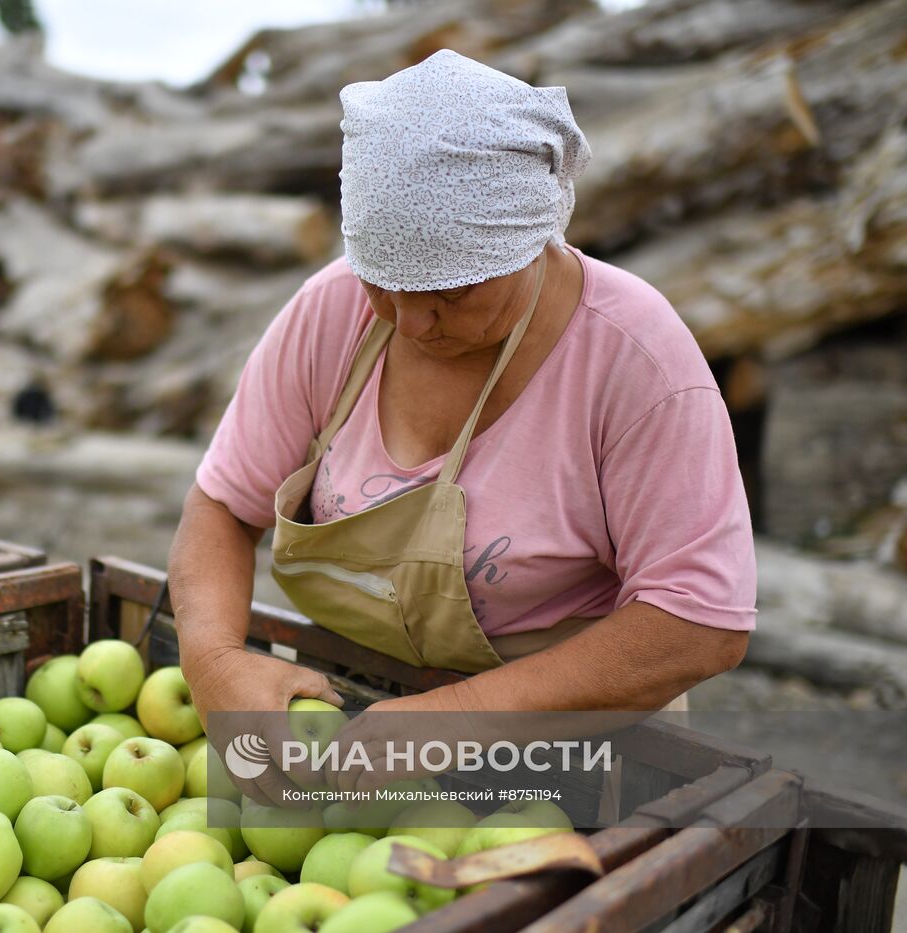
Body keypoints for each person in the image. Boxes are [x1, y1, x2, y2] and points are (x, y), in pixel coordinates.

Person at [167, 50, 755, 802]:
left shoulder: (634, 360)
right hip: (357, 725)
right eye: (385, 280)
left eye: (452, 289)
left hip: (574, 756)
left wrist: (449, 719)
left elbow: (700, 622)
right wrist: (214, 657)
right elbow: (221, 505)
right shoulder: (332, 310)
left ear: (532, 239)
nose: (412, 320)